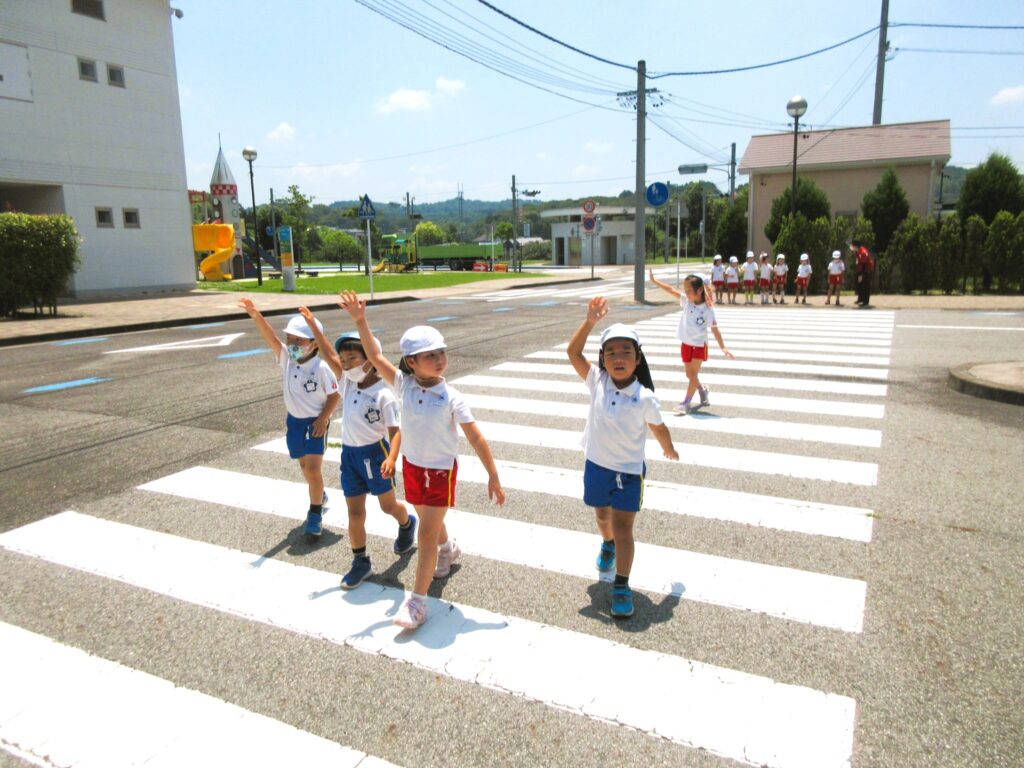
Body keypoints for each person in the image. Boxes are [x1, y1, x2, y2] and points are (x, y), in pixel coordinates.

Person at [338, 290, 506, 629]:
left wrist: (493, 475)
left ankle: (417, 603)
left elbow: (475, 436)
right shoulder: (404, 385)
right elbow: (373, 354)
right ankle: (448, 548)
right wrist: (360, 320)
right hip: (412, 467)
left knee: (424, 535)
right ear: (411, 362)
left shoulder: (451, 397)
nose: (440, 359)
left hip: (440, 473)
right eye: (430, 355)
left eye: (442, 352)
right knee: (428, 521)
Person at [566, 297, 679, 619]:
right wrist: (589, 322)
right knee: (602, 517)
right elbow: (573, 354)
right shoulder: (597, 381)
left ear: (638, 358)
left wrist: (667, 448)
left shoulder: (645, 397)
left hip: (628, 473)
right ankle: (608, 544)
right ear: (602, 359)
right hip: (597, 466)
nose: (618, 358)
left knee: (624, 527)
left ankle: (621, 584)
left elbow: (659, 427)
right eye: (611, 352)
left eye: (626, 352)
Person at [297, 307, 417, 590]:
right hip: (350, 456)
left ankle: (406, 523)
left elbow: (395, 432)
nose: (346, 363)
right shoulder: (348, 383)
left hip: (376, 456)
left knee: (388, 506)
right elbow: (327, 353)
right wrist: (314, 327)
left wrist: (391, 458)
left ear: (370, 361)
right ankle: (360, 560)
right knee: (355, 513)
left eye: (353, 358)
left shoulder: (384, 394)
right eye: (344, 358)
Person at [237, 298, 339, 537]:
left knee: (313, 469)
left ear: (314, 344)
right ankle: (320, 494)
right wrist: (256, 315)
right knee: (304, 466)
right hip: (294, 423)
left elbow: (335, 395)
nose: (292, 344)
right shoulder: (287, 360)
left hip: (315, 424)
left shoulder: (321, 368)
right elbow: (271, 338)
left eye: (299, 340)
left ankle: (315, 513)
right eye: (290, 339)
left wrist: (323, 418)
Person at [648, 269, 735, 413]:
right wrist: (654, 281)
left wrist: (723, 347)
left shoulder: (707, 310)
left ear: (700, 290)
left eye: (689, 290)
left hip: (700, 345)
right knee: (689, 375)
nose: (686, 293)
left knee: (692, 375)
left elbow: (714, 329)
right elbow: (670, 289)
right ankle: (703, 390)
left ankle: (686, 402)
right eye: (685, 289)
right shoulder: (686, 302)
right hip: (686, 343)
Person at [852, 239, 874, 307]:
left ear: (856, 246)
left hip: (866, 271)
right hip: (861, 270)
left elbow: (863, 264)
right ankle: (860, 299)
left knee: (865, 286)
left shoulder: (863, 252)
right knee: (860, 285)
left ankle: (865, 301)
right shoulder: (858, 251)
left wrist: (861, 275)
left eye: (853, 246)